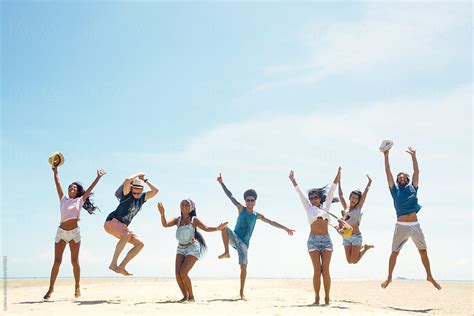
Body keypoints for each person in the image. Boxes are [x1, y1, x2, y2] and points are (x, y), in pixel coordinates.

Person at [217, 173, 295, 300]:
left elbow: (271, 222)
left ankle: (241, 292)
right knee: (224, 228)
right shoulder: (240, 208)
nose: (250, 202)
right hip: (234, 237)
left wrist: (285, 228)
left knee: (243, 267)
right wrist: (222, 183)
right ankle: (226, 252)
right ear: (245, 201)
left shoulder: (257, 215)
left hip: (244, 244)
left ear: (255, 201)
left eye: (252, 200)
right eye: (248, 200)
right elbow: (230, 196)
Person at [381, 146, 441, 290]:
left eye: (403, 177)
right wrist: (386, 155)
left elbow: (417, 172)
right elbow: (387, 172)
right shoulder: (394, 190)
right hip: (401, 226)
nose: (401, 178)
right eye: (399, 178)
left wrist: (414, 156)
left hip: (415, 225)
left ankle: (429, 276)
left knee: (423, 251)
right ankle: (389, 277)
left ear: (407, 180)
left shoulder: (413, 187)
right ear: (397, 181)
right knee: (394, 252)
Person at [43, 165, 105, 300]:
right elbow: (57, 183)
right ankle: (51, 288)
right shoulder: (63, 199)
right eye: (70, 186)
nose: (71, 188)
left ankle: (77, 286)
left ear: (77, 192)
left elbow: (89, 189)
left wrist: (98, 177)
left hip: (74, 233)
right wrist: (55, 172)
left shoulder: (80, 200)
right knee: (57, 261)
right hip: (61, 232)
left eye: (74, 187)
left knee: (74, 261)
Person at [158, 199, 227, 302]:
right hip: (180, 248)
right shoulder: (178, 219)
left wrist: (218, 228)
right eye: (182, 204)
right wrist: (162, 213)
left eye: (187, 205)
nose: (184, 206)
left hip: (192, 248)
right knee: (177, 274)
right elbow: (165, 224)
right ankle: (185, 296)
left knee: (183, 273)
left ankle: (191, 297)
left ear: (191, 208)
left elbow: (206, 228)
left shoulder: (194, 219)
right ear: (180, 207)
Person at [289, 168, 340, 305]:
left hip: (327, 241)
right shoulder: (309, 208)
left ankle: (327, 298)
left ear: (320, 198)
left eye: (315, 197)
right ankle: (317, 298)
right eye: (311, 198)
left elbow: (331, 191)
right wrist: (293, 180)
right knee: (317, 270)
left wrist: (337, 176)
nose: (312, 200)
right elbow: (300, 194)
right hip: (313, 241)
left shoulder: (326, 206)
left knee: (326, 271)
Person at [104, 172, 158, 276]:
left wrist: (145, 180)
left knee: (140, 244)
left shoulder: (142, 198)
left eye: (138, 193)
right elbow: (127, 180)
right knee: (126, 235)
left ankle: (122, 266)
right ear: (132, 189)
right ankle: (113, 264)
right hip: (111, 222)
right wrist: (139, 173)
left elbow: (156, 191)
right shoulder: (127, 195)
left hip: (122, 227)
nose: (136, 195)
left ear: (142, 190)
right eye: (134, 193)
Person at [337, 170, 374, 264]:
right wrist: (339, 181)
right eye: (352, 197)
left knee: (354, 261)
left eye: (356, 198)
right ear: (349, 198)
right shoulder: (346, 208)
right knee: (349, 261)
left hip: (356, 236)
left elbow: (365, 194)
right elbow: (340, 196)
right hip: (346, 236)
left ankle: (365, 248)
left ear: (358, 200)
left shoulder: (358, 208)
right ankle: (363, 248)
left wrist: (369, 183)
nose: (354, 199)